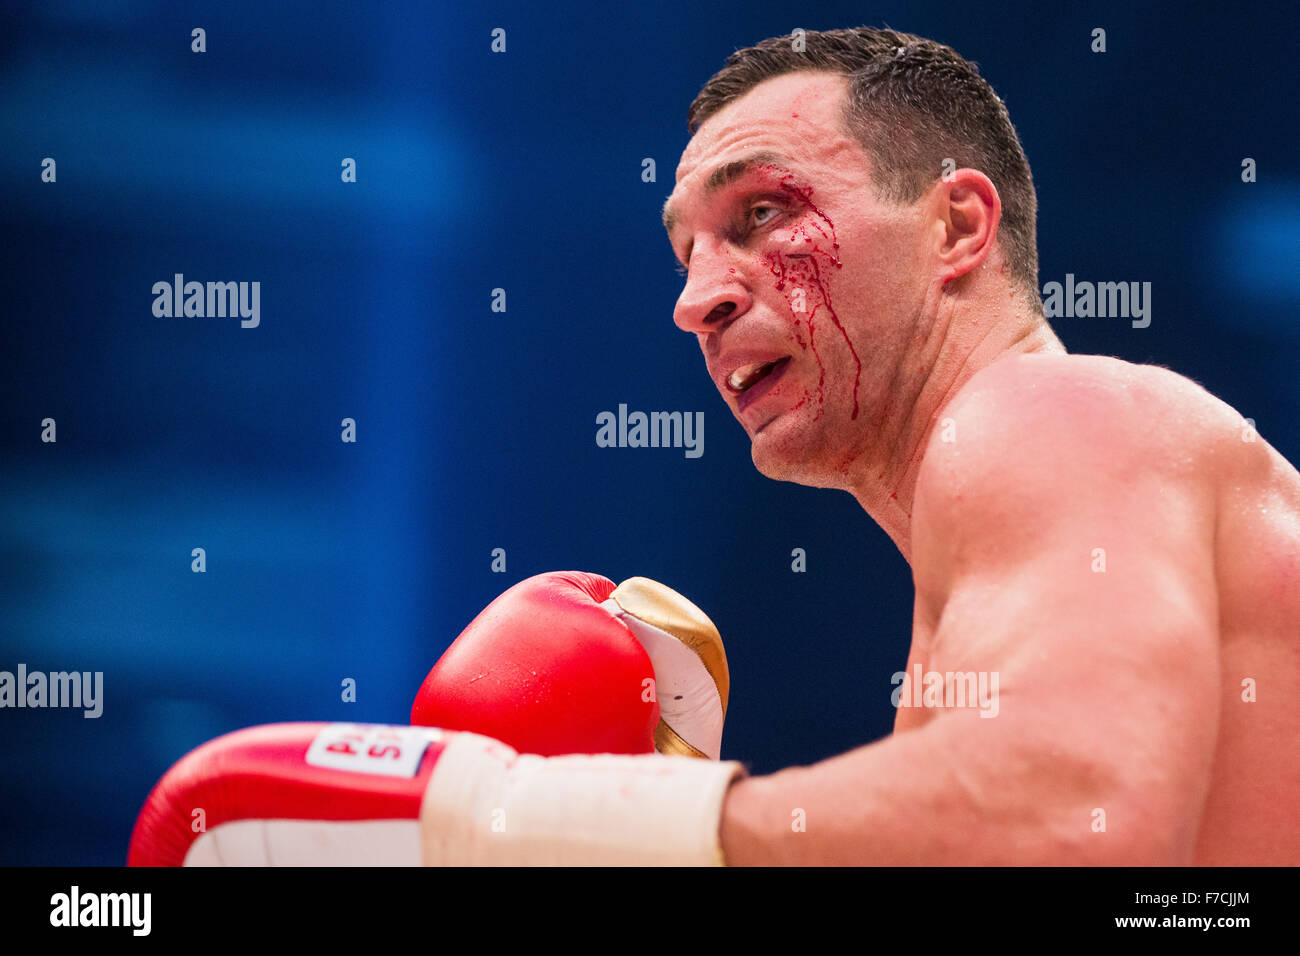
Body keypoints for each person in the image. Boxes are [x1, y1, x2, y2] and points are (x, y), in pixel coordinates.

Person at [131, 27, 1299, 867]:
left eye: (762, 214)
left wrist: (502, 816)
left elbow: (1077, 818)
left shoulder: (1053, 412)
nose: (697, 297)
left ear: (956, 225)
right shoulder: (993, 570)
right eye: (684, 248)